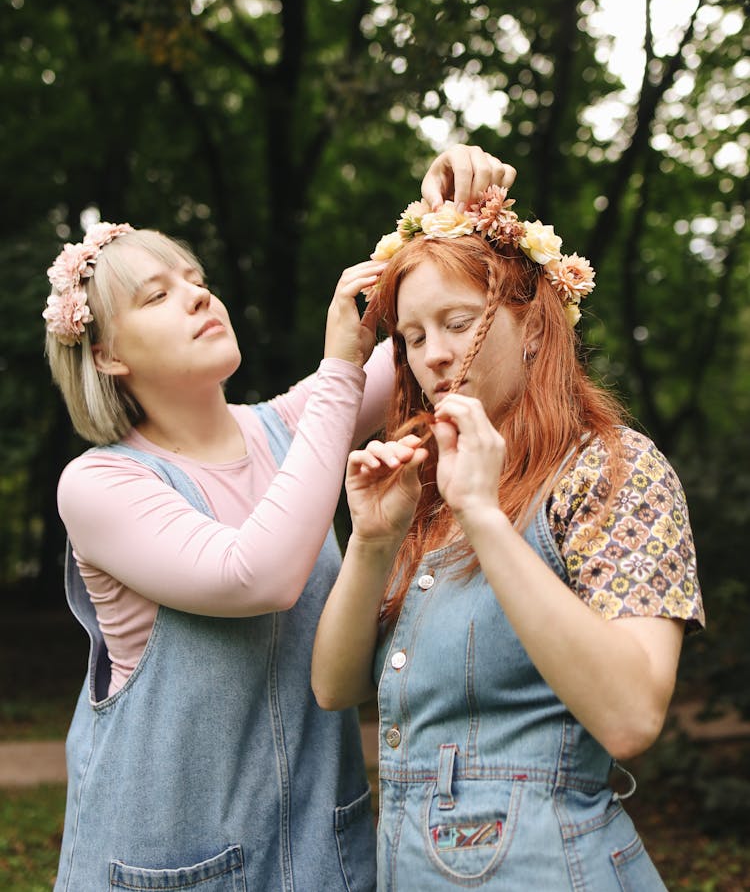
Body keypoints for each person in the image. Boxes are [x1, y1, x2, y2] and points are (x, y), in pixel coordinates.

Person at [42, 146, 514, 892]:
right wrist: (337, 369)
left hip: (324, 857)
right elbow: (256, 573)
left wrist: (449, 210)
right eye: (158, 295)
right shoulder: (98, 483)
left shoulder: (290, 425)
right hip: (163, 871)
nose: (200, 297)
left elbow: (445, 335)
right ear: (104, 356)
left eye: (198, 281)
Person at [311, 186, 704, 891]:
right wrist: (372, 540)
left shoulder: (612, 469)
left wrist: (486, 517)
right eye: (414, 335)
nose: (434, 355)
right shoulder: (423, 488)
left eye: (457, 322)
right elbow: (335, 687)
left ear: (532, 327)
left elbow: (631, 714)